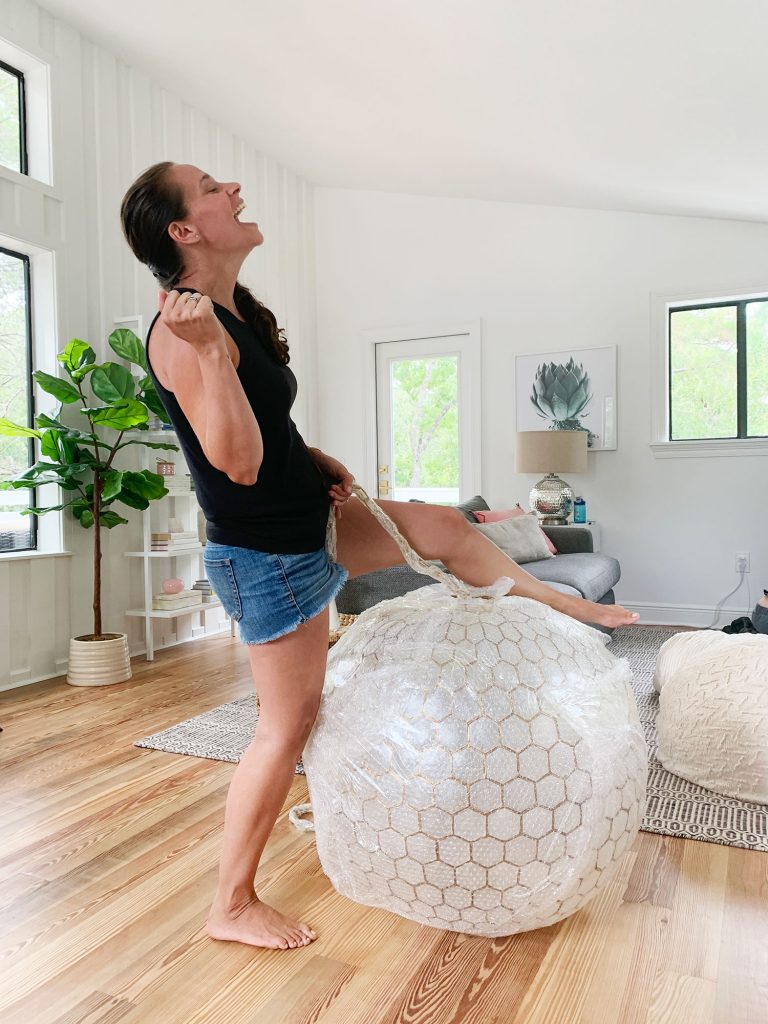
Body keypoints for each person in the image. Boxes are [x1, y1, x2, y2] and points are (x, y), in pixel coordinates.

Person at [120, 161, 641, 952]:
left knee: (441, 526)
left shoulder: (233, 310)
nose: (234, 188)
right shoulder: (186, 331)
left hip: (307, 519)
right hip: (266, 555)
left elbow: (269, 434)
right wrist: (216, 360)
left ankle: (569, 605)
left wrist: (317, 456)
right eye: (210, 186)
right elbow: (236, 461)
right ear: (183, 230)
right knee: (283, 726)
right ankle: (229, 903)